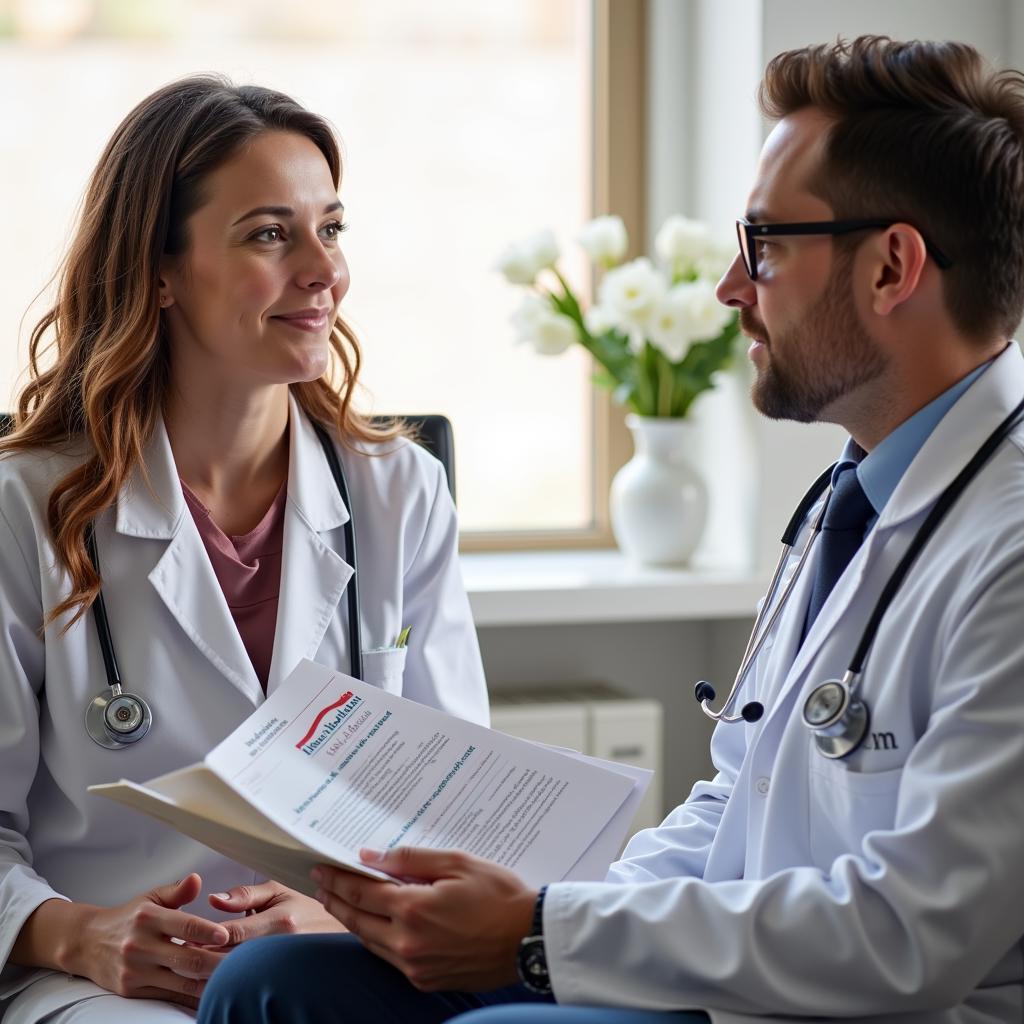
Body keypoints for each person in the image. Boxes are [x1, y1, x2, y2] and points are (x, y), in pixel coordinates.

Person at [196, 35, 1024, 1024]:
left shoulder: (1004, 549)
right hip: (733, 972)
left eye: (763, 243)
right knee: (269, 987)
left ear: (891, 266)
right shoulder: (854, 501)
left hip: (867, 1007)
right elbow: (733, 808)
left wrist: (541, 935)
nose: (728, 286)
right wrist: (539, 914)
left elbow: (908, 934)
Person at [0, 76, 488, 1023]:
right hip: (106, 981)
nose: (323, 271)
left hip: (341, 958)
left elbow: (452, 811)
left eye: (331, 229)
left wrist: (323, 915)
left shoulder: (397, 492)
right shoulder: (26, 506)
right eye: (271, 234)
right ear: (158, 271)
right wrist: (77, 932)